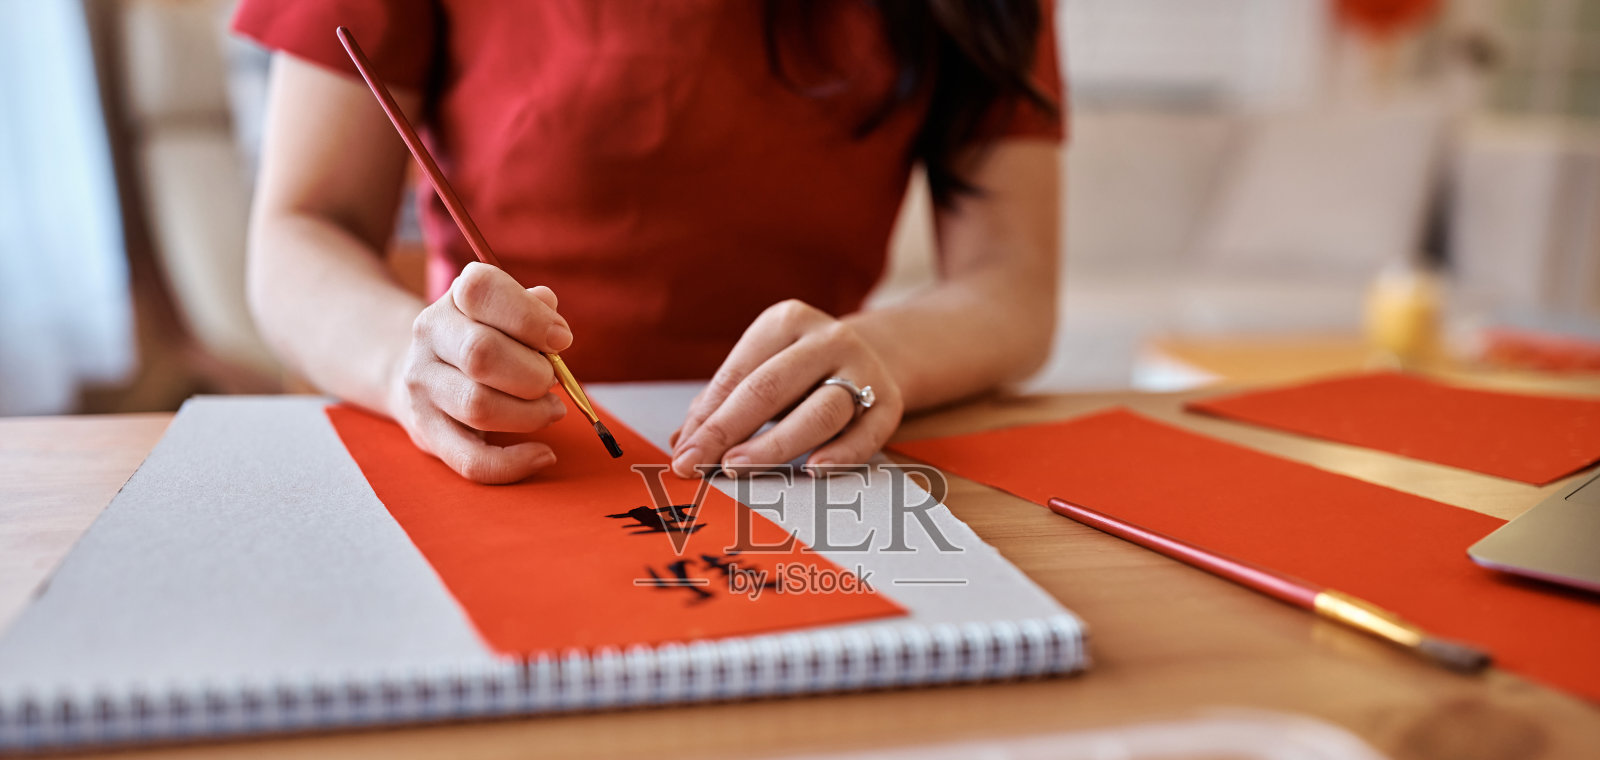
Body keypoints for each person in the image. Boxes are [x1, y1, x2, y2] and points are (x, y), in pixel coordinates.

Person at [235, 0, 1063, 483]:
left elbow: (1011, 282)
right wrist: (400, 362)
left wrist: (887, 357)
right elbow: (302, 229)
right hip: (492, 451)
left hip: (805, 458)